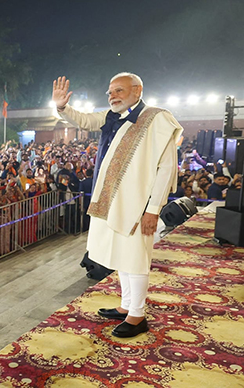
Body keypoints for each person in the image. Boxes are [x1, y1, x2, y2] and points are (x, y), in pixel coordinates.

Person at [53, 73, 182, 337]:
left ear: (138, 90)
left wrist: (153, 209)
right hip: (112, 200)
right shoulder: (113, 116)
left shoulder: (158, 118)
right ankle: (126, 306)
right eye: (110, 92)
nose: (113, 95)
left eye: (119, 90)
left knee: (136, 258)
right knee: (122, 256)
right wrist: (62, 107)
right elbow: (85, 120)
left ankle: (138, 316)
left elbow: (167, 167)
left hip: (138, 204)